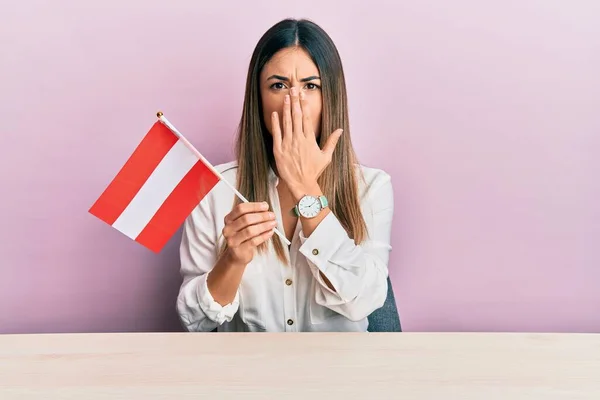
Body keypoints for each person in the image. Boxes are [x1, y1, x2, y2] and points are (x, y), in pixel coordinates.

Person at [176, 18, 394, 332]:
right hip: (248, 375)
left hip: (336, 377)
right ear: (259, 99)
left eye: (311, 85)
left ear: (330, 96)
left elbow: (363, 301)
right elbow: (193, 322)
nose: (295, 101)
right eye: (278, 85)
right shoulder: (213, 188)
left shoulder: (371, 187)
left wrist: (307, 190)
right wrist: (233, 260)